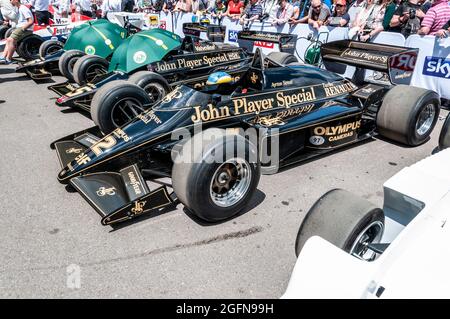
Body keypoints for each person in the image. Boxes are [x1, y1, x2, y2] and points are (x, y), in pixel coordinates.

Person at [0, 0, 33, 64]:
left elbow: (31, 21)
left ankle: (8, 59)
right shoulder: (18, 8)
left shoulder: (23, 8)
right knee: (8, 40)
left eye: (11, 0)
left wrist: (23, 28)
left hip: (25, 29)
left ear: (15, 0)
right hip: (20, 27)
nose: (10, 2)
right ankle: (3, 57)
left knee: (10, 40)